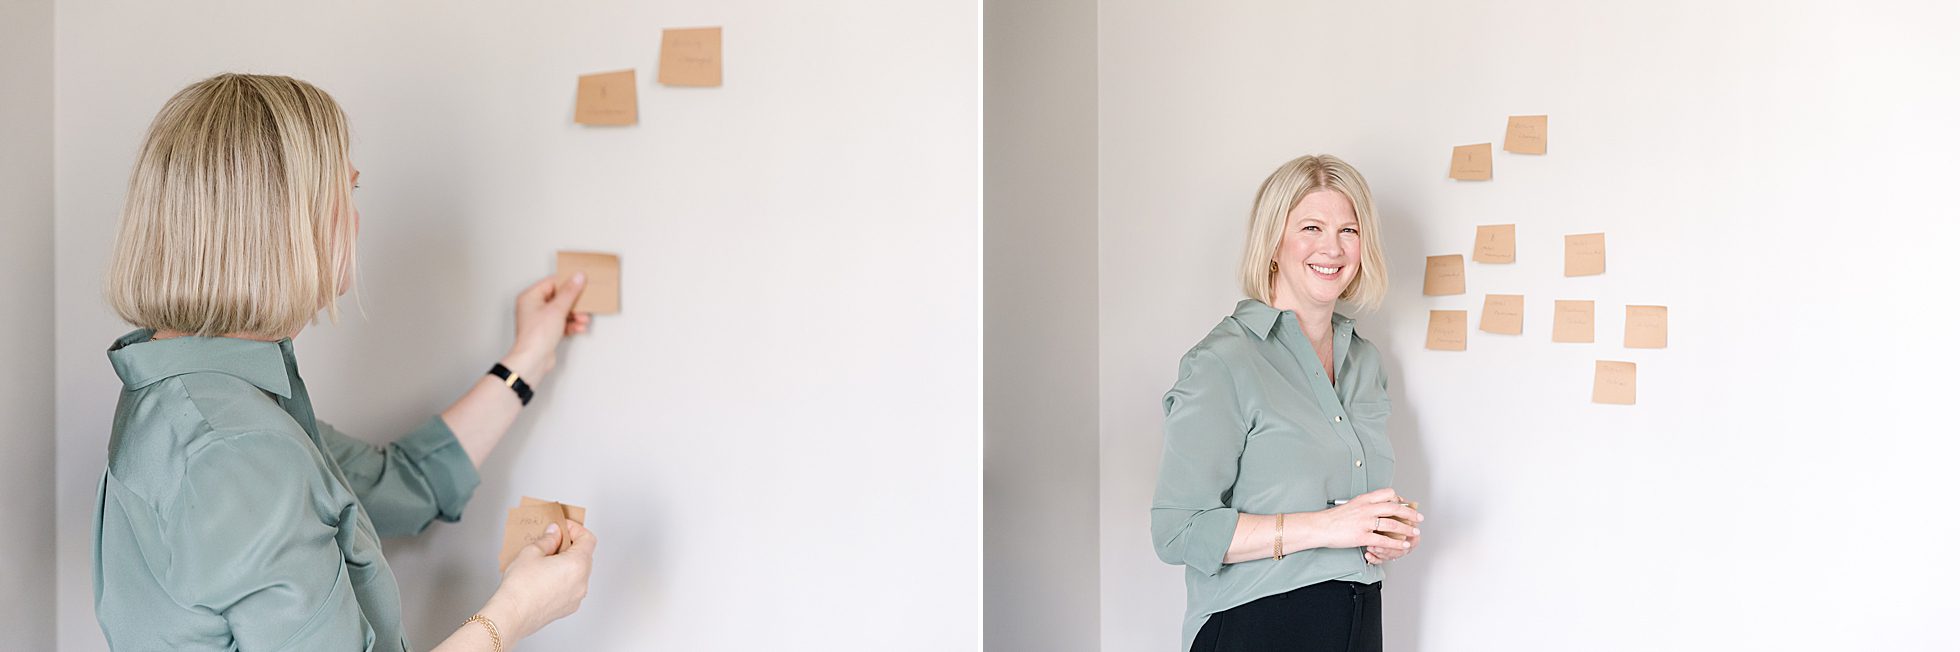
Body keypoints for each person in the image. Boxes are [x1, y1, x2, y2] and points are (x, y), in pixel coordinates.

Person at [92, 73, 598, 651]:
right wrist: (515, 612)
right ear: (284, 222)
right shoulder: (234, 449)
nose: (356, 223)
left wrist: (529, 356)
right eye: (348, 193)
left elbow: (396, 485)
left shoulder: (192, 384)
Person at [1150, 154, 1425, 652]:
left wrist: (1383, 532)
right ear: (1274, 243)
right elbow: (1177, 532)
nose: (1332, 247)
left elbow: (1343, 512)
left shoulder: (1365, 361)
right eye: (1311, 227)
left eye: (1348, 230)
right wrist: (1326, 527)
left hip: (1360, 618)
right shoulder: (1223, 362)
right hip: (1257, 625)